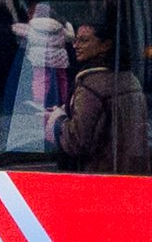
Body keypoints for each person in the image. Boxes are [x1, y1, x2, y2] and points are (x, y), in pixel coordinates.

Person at [48, 20, 141, 170]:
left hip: (98, 174)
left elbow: (76, 141)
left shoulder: (91, 86)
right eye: (75, 40)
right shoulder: (130, 79)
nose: (75, 46)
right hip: (130, 171)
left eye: (84, 41)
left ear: (106, 45)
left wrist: (57, 120)